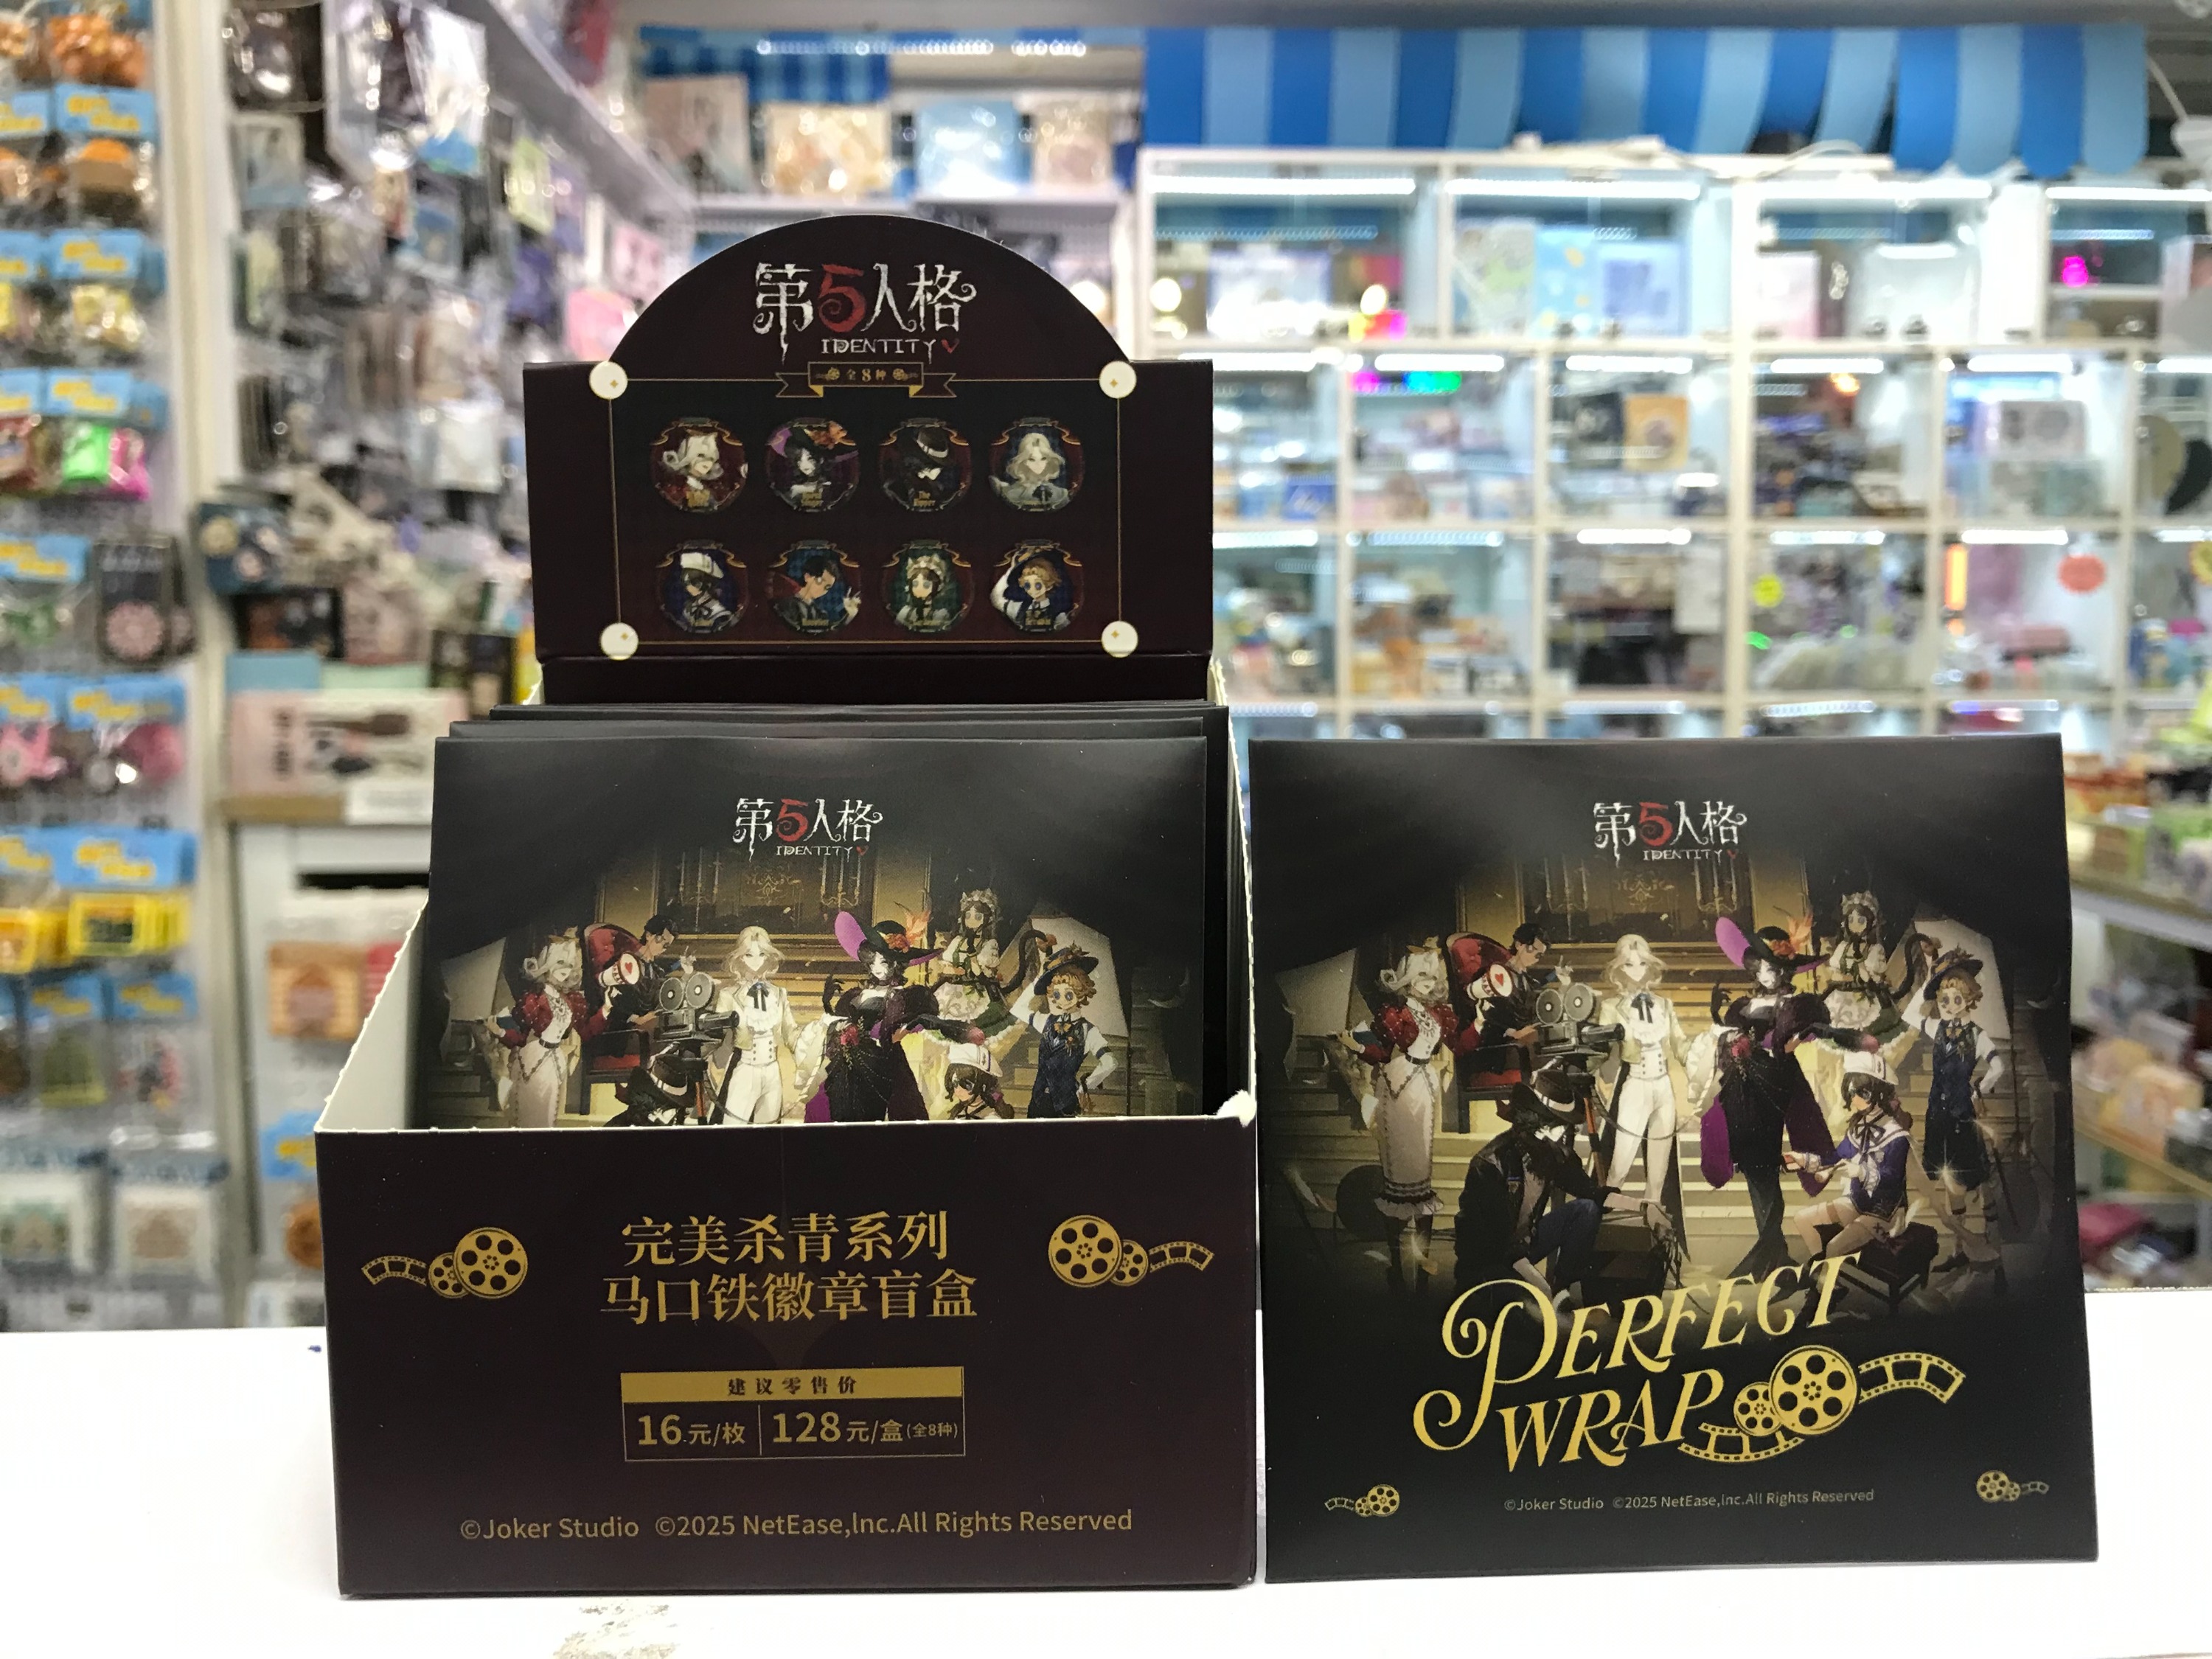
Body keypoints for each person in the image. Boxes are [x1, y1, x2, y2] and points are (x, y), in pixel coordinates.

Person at [1453, 1079, 1669, 1304]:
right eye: (1561, 1125)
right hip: (1489, 1260)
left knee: (1586, 1209)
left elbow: (1591, 1192)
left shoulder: (1551, 1153)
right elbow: (1490, 1240)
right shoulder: (1491, 1163)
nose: (1566, 1131)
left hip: (1526, 1244)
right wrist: (1539, 1285)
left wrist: (1643, 1207)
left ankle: (1561, 1287)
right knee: (1527, 1316)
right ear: (1542, 1125)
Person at [1917, 951, 2005, 1271]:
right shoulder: (1936, 1028)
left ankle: (1993, 1244)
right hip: (1937, 1115)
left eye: (1957, 998)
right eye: (1945, 999)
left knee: (1974, 1180)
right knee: (1948, 1180)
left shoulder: (1978, 1035)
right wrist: (1932, 971)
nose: (1951, 1005)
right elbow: (1913, 1013)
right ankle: (1959, 1252)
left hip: (1962, 1115)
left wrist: (1980, 1088)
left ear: (1969, 999)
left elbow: (1999, 1066)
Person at [1788, 1052, 1913, 1262]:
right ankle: (1822, 1273)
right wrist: (1804, 1160)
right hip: (1858, 1203)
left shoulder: (1897, 1135)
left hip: (1887, 1212)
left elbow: (1892, 1180)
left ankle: (1823, 1276)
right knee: (1802, 1219)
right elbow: (1834, 1158)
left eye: (1860, 1092)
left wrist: (1861, 1172)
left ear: (1877, 1093)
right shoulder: (1858, 1128)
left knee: (1834, 1248)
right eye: (1852, 1091)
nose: (1853, 1099)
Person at [1010, 945, 1116, 1117]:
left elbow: (1110, 1062)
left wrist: (1085, 1087)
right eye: (1057, 995)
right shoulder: (1047, 1021)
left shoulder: (1087, 1030)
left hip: (1065, 1105)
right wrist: (1039, 978)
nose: (1062, 1000)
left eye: (1068, 994)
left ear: (1081, 992)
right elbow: (1017, 1009)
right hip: (1037, 1101)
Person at [712, 925, 797, 1126]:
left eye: (761, 954)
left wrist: (818, 1037)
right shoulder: (728, 995)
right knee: (732, 1129)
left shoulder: (779, 994)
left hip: (772, 1073)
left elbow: (791, 1034)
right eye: (749, 954)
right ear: (741, 958)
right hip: (745, 1070)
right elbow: (716, 1036)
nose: (756, 960)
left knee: (768, 1134)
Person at [777, 549, 859, 633]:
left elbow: (829, 630)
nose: (822, 589)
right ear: (807, 577)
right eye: (820, 581)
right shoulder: (788, 604)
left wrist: (849, 615)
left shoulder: (819, 613)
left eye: (827, 587)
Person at [994, 427, 1073, 509]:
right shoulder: (1011, 494)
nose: (1038, 464)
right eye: (1032, 459)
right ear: (1024, 461)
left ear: (1048, 460)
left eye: (1043, 459)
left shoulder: (1060, 494)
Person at [672, 549, 737, 633]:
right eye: (685, 583)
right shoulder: (688, 610)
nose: (687, 587)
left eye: (692, 582)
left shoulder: (719, 612)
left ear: (707, 583)